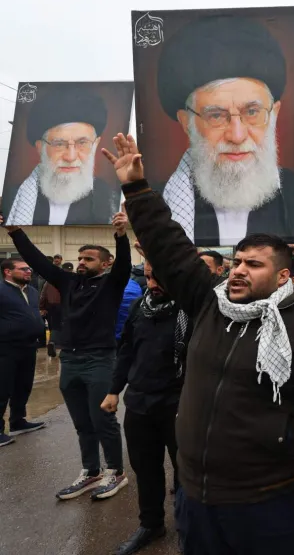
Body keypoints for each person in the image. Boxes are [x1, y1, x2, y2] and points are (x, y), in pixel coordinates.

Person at [102, 133, 294, 554]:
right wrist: (136, 189)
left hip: (274, 497)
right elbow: (169, 248)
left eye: (254, 265)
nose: (239, 271)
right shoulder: (210, 302)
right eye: (238, 261)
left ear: (284, 276)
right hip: (198, 494)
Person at [155, 15, 294, 246]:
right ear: (187, 123)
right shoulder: (161, 202)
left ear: (273, 114)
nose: (237, 136)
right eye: (216, 116)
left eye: (252, 112)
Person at [2, 209, 131, 501]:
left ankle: (116, 472)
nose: (82, 263)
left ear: (105, 263)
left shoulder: (112, 283)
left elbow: (123, 265)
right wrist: (15, 233)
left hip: (99, 359)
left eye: (90, 259)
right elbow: (36, 260)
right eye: (81, 258)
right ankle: (91, 471)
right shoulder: (69, 282)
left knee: (102, 420)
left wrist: (121, 236)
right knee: (82, 423)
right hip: (70, 360)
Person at [100, 260, 188, 555]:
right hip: (139, 402)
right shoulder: (140, 306)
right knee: (145, 467)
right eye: (149, 277)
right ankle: (151, 524)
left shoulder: (192, 310)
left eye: (159, 278)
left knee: (184, 469)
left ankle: (189, 525)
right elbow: (126, 350)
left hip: (180, 402)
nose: (152, 284)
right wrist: (114, 390)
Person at [5, 87, 119, 226]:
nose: (70, 157)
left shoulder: (111, 201)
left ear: (95, 144)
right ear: (40, 147)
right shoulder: (11, 200)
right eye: (58, 144)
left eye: (82, 143)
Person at [0, 258, 48, 447]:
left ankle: (18, 421)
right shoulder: (2, 291)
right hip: (5, 347)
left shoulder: (32, 291)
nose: (29, 271)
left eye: (29, 268)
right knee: (3, 388)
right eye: (23, 269)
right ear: (8, 272)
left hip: (28, 346)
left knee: (23, 385)